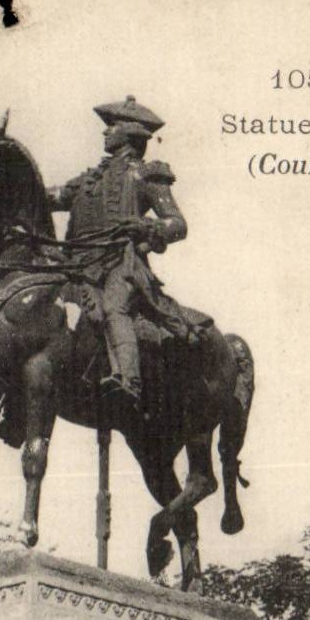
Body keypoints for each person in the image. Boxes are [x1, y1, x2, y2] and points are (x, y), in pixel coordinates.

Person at [47, 96, 206, 403]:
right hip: (78, 266)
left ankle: (128, 380)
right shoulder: (87, 181)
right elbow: (50, 198)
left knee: (113, 307)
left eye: (113, 127)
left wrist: (147, 227)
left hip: (122, 265)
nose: (106, 133)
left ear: (131, 133)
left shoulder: (146, 176)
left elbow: (177, 224)